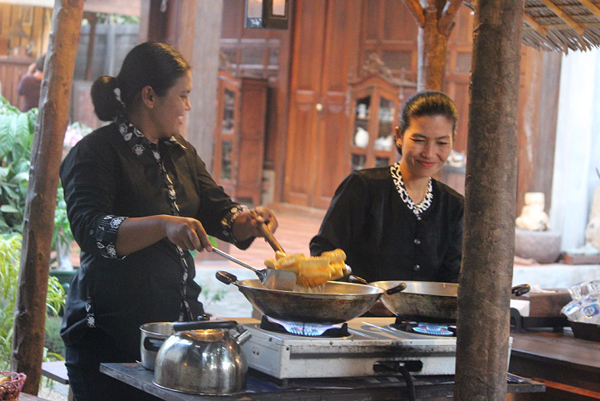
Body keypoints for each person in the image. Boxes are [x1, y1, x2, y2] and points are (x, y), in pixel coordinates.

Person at [59, 42, 278, 401]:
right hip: (108, 338)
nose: (187, 106)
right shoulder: (95, 152)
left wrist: (248, 220)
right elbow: (92, 231)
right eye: (183, 95)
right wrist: (163, 224)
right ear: (149, 96)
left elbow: (218, 211)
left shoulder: (180, 151)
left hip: (176, 335)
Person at [310, 90, 464, 284]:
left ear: (453, 139)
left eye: (441, 142)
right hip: (361, 312)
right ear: (399, 136)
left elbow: (451, 277)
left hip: (425, 315)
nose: (430, 153)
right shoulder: (362, 187)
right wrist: (360, 292)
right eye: (419, 140)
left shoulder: (454, 206)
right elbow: (323, 251)